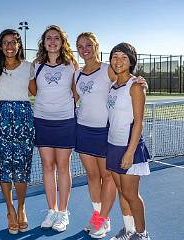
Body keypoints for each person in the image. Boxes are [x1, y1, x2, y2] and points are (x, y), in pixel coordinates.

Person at [32, 25, 78, 232]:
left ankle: (63, 212)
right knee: (47, 166)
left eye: (56, 38)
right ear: (44, 42)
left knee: (63, 167)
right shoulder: (36, 65)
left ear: (62, 42)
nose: (52, 41)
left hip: (65, 121)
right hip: (42, 121)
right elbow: (32, 90)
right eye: (48, 38)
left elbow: (77, 93)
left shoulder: (71, 64)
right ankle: (51, 211)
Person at [0, 29, 35, 235]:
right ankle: (9, 209)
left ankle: (21, 208)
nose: (9, 46)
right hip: (1, 117)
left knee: (22, 167)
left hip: (24, 118)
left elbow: (36, 91)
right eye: (5, 43)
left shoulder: (29, 67)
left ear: (18, 45)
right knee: (4, 166)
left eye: (13, 42)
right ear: (0, 47)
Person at [73, 32, 117, 238]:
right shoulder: (78, 74)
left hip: (105, 130)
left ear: (96, 46)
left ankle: (104, 219)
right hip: (82, 129)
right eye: (80, 46)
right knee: (92, 176)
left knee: (107, 176)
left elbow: (125, 86)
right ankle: (97, 214)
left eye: (88, 45)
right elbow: (73, 98)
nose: (85, 49)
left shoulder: (109, 69)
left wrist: (139, 81)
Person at [106, 43, 151, 240]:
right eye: (115, 56)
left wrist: (130, 152)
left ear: (131, 61)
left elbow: (139, 122)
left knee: (131, 195)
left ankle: (142, 234)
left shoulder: (135, 86)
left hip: (129, 148)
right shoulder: (113, 85)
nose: (118, 61)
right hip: (112, 145)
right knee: (122, 193)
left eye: (124, 57)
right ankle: (129, 229)